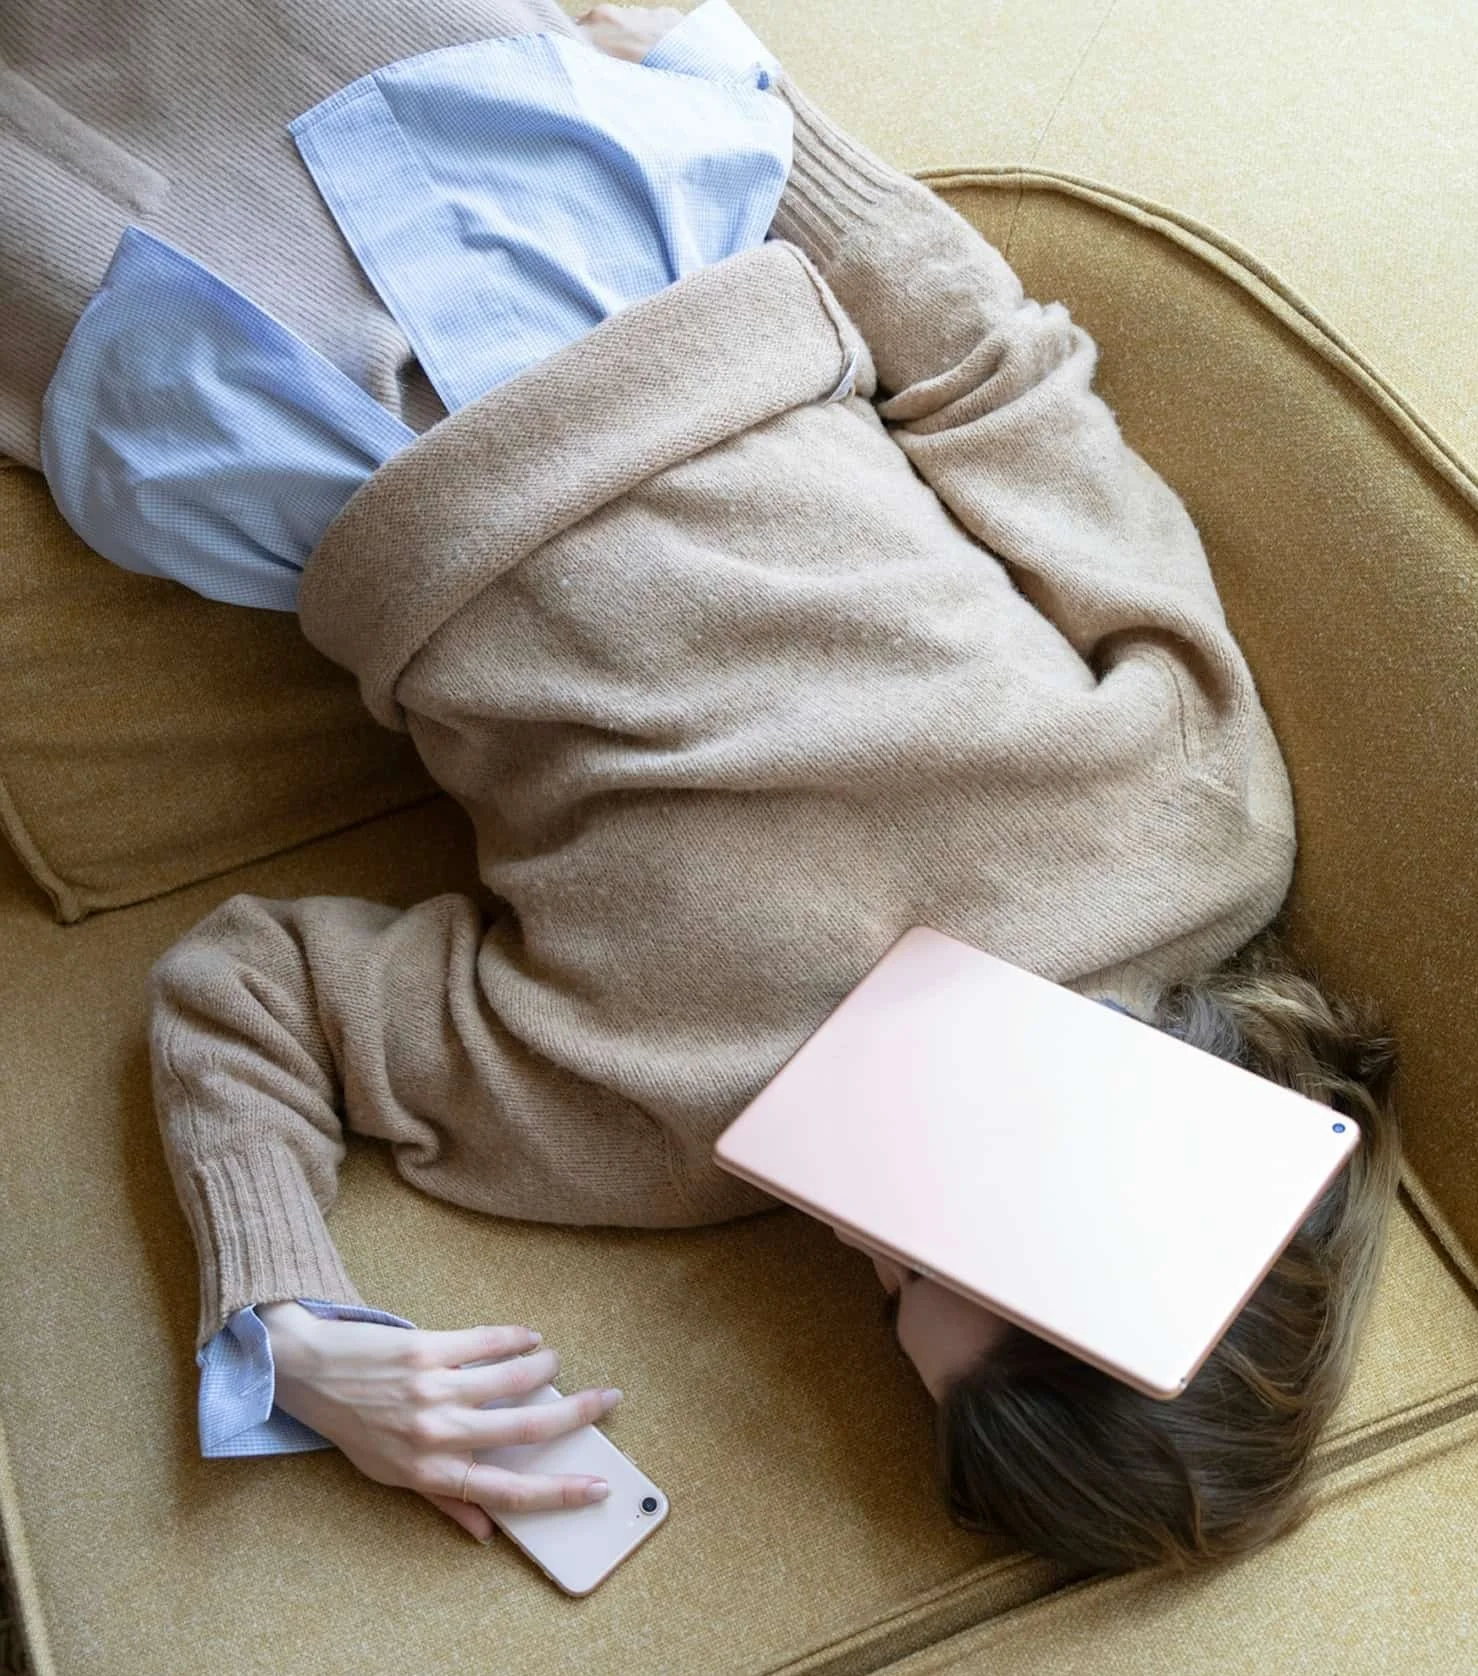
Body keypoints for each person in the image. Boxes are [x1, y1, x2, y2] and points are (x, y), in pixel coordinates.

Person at [9, 0, 1402, 1572]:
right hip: (573, 223)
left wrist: (290, 1328)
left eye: (887, 1293)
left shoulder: (650, 1131)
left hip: (262, 420)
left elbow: (251, 991)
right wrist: (723, 77)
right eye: (946, 1248)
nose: (864, 1229)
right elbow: (990, 377)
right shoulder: (1200, 828)